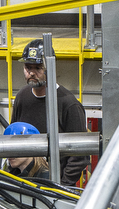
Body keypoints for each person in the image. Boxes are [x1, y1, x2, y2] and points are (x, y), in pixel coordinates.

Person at [7, 38, 92, 181]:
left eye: (38, 68)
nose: (32, 73)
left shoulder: (69, 104)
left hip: (54, 184)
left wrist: (62, 187)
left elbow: (79, 156)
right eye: (28, 68)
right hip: (25, 182)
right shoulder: (22, 97)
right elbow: (14, 139)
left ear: (50, 68)